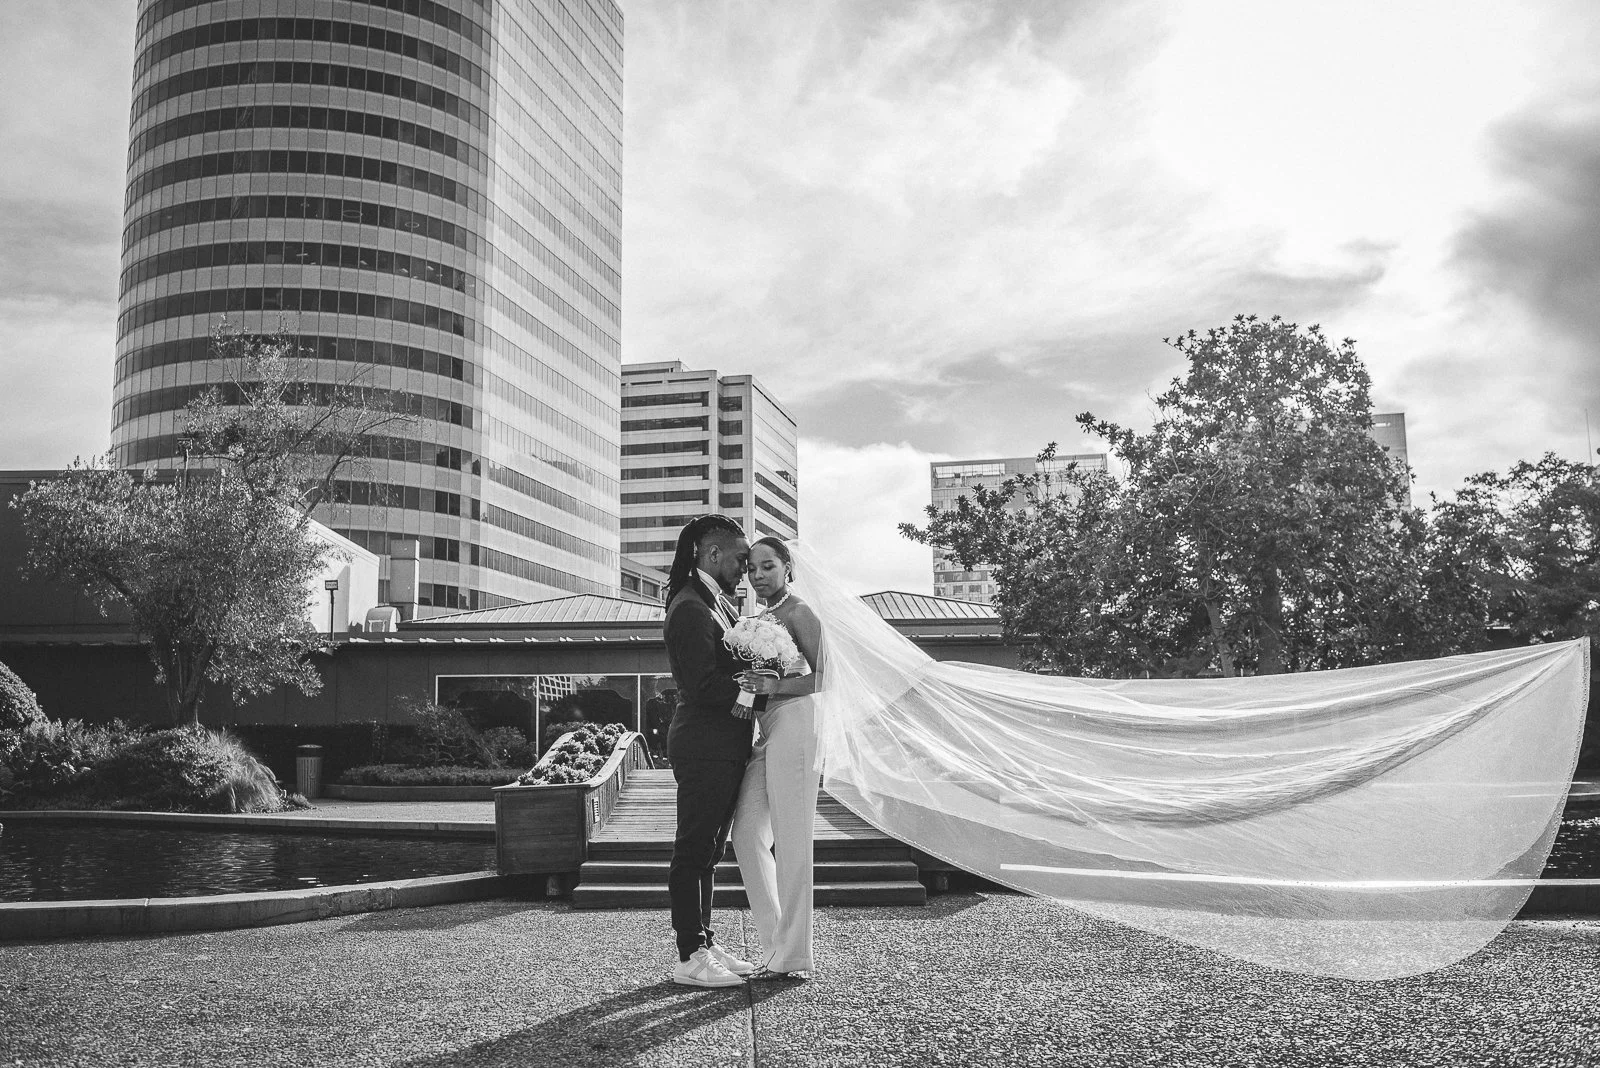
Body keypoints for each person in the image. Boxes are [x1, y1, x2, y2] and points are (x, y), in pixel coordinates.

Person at [662, 514, 757, 987]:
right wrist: (756, 693)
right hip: (703, 744)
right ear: (712, 553)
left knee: (710, 850)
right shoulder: (691, 608)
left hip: (722, 744)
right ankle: (689, 956)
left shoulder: (717, 603)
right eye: (741, 558)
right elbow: (700, 684)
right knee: (693, 849)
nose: (746, 567)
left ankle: (704, 939)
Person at [731, 537, 825, 978]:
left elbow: (827, 676)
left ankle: (793, 955)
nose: (757, 576)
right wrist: (748, 695)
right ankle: (775, 946)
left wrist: (775, 688)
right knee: (746, 834)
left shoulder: (799, 612)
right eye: (751, 569)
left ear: (787, 567)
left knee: (792, 843)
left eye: (767, 566)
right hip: (767, 730)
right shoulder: (760, 619)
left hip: (797, 724)